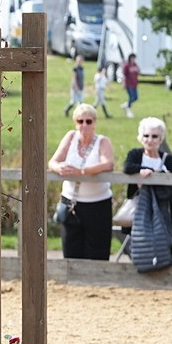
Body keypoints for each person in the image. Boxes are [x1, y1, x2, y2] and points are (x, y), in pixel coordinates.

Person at [48, 103, 115, 260]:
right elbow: (52, 162)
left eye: (88, 121)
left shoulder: (102, 141)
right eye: (80, 121)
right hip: (71, 202)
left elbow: (108, 164)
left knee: (97, 251)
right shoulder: (70, 137)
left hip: (98, 203)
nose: (84, 125)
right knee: (70, 249)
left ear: (94, 123)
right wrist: (60, 168)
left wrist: (82, 172)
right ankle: (71, 284)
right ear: (75, 122)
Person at [123, 116, 172, 243]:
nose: (150, 140)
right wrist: (142, 170)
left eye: (154, 136)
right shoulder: (135, 154)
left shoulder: (167, 159)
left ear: (160, 139)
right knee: (140, 243)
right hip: (140, 206)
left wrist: (159, 175)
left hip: (163, 207)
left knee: (164, 244)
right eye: (146, 135)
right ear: (141, 137)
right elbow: (127, 167)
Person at [120, 53, 140, 118]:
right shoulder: (127, 65)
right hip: (129, 84)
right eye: (132, 58)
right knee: (131, 97)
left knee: (136, 97)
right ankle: (129, 110)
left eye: (134, 58)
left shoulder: (135, 65)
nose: (133, 59)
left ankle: (125, 105)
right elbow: (124, 75)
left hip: (135, 84)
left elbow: (138, 71)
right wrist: (123, 83)